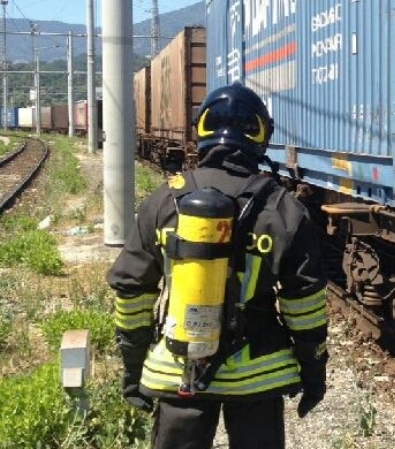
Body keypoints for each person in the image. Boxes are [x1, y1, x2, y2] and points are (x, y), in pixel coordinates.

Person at [107, 82, 328, 449]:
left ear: (201, 131)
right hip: (258, 376)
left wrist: (133, 370)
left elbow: (131, 289)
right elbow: (304, 303)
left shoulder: (164, 201)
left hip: (179, 370)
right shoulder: (283, 208)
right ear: (262, 135)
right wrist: (313, 372)